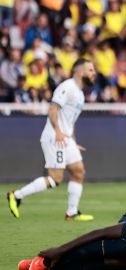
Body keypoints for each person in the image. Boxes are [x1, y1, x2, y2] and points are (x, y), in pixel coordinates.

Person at [7, 59, 96, 221]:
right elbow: (52, 109)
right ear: (80, 72)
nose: (94, 73)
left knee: (78, 171)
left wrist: (72, 140)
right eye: (90, 70)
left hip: (65, 138)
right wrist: (58, 132)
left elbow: (68, 121)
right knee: (56, 179)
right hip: (55, 137)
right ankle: (16, 195)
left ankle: (71, 212)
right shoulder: (67, 87)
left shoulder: (81, 94)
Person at [18, 209, 126, 270]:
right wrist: (60, 250)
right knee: (122, 248)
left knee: (123, 264)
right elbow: (102, 233)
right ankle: (46, 261)